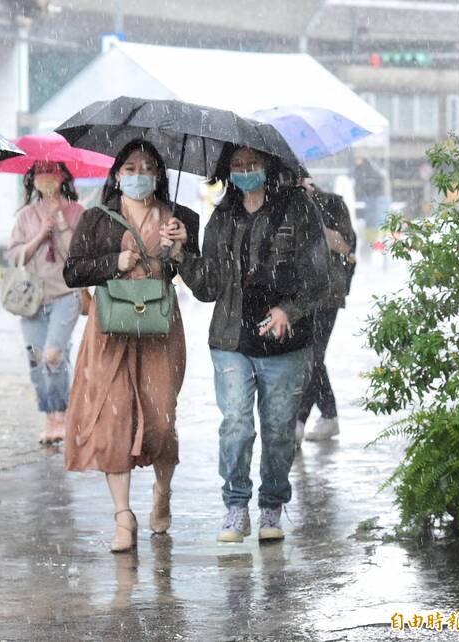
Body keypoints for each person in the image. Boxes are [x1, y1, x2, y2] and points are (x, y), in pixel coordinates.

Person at [162, 145, 328, 543]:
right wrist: (183, 252)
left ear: (268, 165)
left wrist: (290, 309)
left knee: (277, 431)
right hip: (230, 340)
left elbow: (320, 276)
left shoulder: (298, 209)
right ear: (227, 171)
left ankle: (272, 506)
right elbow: (209, 286)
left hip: (285, 344)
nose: (246, 170)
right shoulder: (222, 217)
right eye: (237, 165)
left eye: (253, 162)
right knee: (236, 425)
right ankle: (235, 507)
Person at [63, 139, 200, 553]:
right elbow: (72, 272)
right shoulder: (96, 219)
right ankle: (123, 516)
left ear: (159, 175)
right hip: (110, 330)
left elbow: (202, 279)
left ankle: (162, 490)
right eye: (131, 167)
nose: (139, 175)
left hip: (159, 328)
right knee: (112, 421)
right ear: (117, 174)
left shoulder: (181, 217)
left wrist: (179, 248)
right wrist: (112, 264)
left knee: (160, 421)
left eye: (147, 168)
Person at [7, 161, 85, 445]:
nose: (46, 177)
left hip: (66, 294)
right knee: (37, 359)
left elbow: (77, 256)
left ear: (62, 175)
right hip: (32, 300)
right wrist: (40, 234)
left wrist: (60, 224)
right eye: (40, 172)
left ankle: (61, 415)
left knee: (53, 354)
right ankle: (50, 415)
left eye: (51, 171)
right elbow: (16, 257)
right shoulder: (26, 216)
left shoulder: (77, 212)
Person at [295, 180, 357, 443]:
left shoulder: (331, 203)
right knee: (306, 356)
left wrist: (313, 219)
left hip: (326, 294)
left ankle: (299, 421)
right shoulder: (281, 206)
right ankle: (328, 416)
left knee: (312, 355)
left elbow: (345, 245)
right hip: (294, 297)